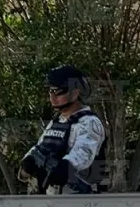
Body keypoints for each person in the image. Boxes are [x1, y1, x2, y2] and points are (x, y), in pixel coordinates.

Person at [20, 65, 107, 194]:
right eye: (50, 91)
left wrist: (66, 166)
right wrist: (28, 163)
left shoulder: (89, 122)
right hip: (50, 201)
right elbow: (40, 147)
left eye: (58, 92)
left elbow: (83, 153)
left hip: (78, 204)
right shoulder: (56, 121)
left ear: (76, 92)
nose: (52, 97)